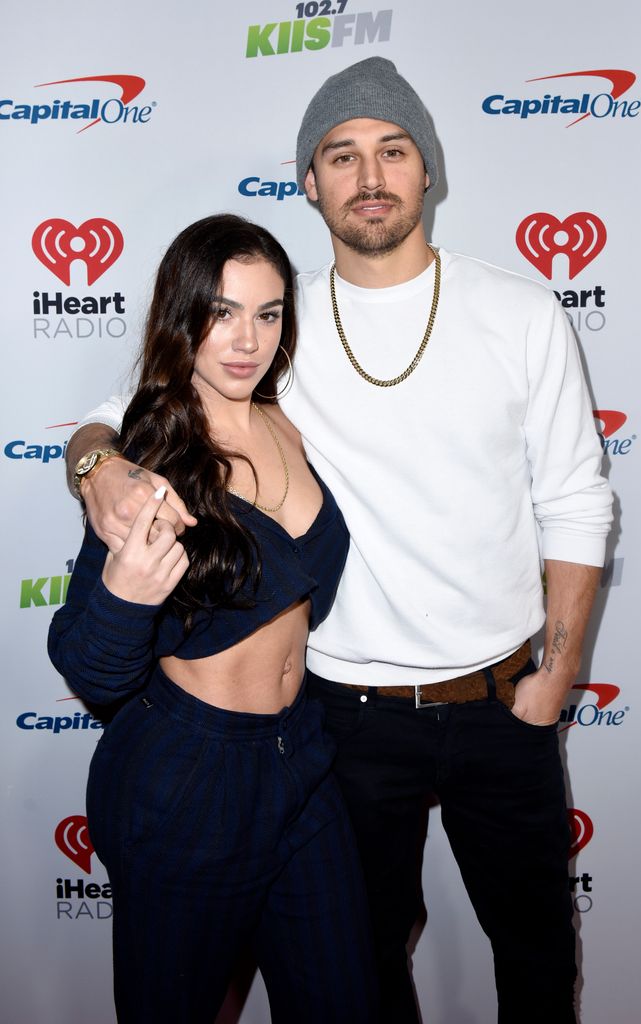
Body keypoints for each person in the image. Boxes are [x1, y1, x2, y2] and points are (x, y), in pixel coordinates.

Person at [65, 59, 613, 1024]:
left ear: (426, 171)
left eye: (393, 150)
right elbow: (118, 418)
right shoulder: (275, 320)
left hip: (500, 704)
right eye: (342, 154)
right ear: (307, 181)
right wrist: (94, 469)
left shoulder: (521, 311)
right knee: (360, 967)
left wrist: (551, 685)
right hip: (342, 719)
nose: (370, 175)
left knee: (534, 954)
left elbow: (576, 502)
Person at [48, 214, 378, 1024]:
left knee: (346, 1003)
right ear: (182, 314)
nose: (247, 339)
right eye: (222, 312)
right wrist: (126, 592)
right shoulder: (151, 460)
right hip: (187, 776)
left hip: (299, 756)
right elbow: (88, 665)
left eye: (268, 315)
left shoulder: (288, 419)